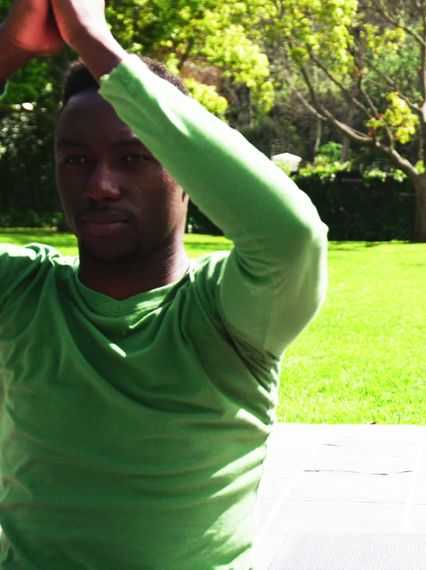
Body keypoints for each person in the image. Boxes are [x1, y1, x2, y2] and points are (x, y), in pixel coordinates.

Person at [0, 0, 328, 567]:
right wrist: (10, 48)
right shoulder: (24, 295)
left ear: (187, 171)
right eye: (76, 160)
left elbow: (291, 233)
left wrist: (95, 42)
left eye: (134, 157)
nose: (100, 185)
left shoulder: (230, 316)